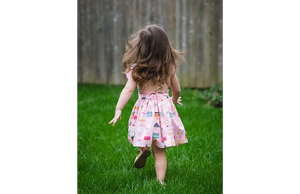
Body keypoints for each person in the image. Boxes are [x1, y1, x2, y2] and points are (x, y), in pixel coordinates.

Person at [109, 24, 188, 185]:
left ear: (141, 48)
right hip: (163, 110)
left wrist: (118, 109)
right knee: (160, 151)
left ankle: (143, 149)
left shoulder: (136, 70)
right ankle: (161, 181)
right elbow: (177, 89)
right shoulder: (169, 68)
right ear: (165, 47)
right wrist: (173, 99)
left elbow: (128, 91)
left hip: (145, 111)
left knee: (145, 134)